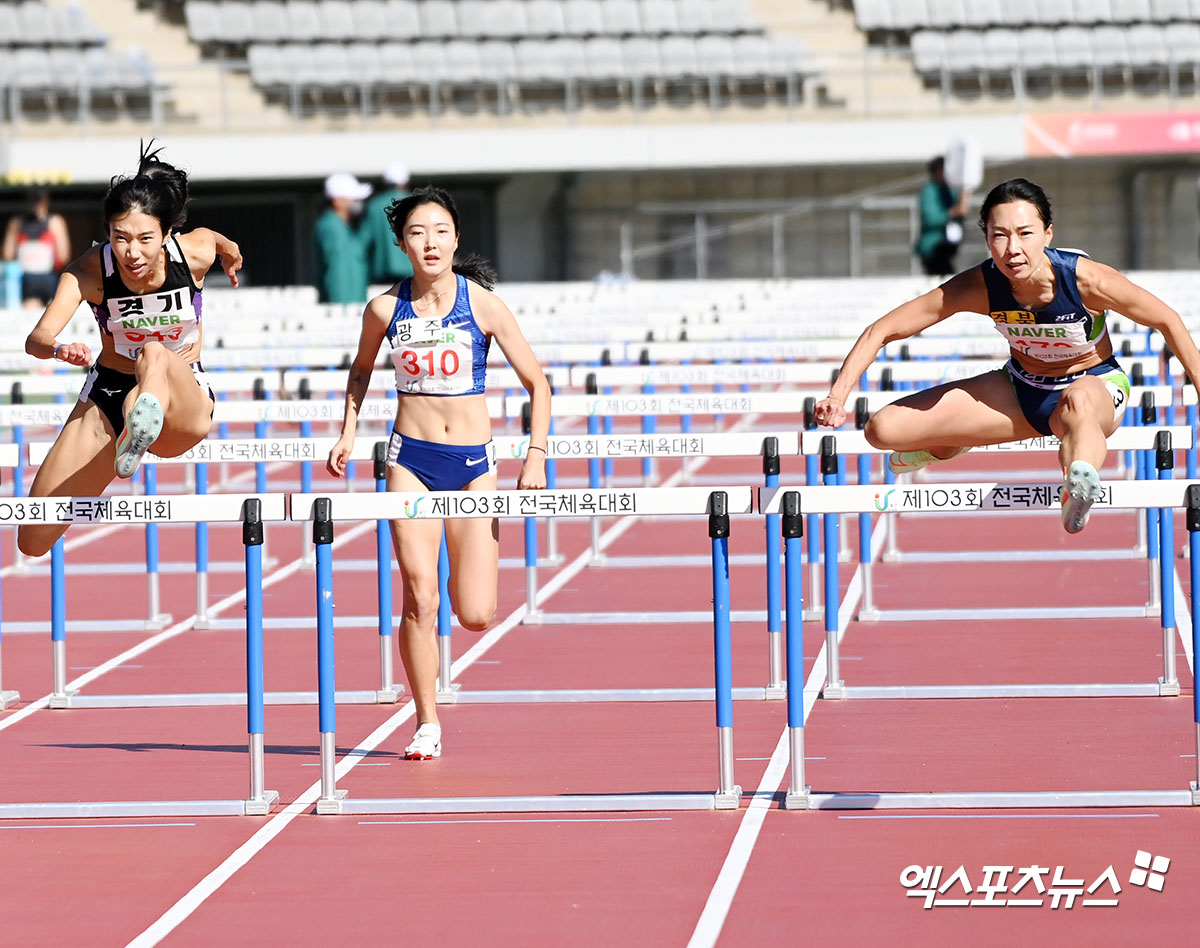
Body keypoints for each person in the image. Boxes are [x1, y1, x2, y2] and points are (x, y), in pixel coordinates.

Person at [815, 177, 1200, 535]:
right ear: (985, 238)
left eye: (1025, 234)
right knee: (881, 430)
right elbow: (881, 330)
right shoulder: (978, 286)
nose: (1012, 249)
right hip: (1021, 390)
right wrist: (837, 396)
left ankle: (1079, 484)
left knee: (1077, 402)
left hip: (1095, 385)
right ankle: (949, 443)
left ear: (1047, 234)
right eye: (999, 236)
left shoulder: (1086, 281)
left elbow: (1167, 320)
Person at [326, 185, 551, 760]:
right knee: (418, 598)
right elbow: (359, 373)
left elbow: (538, 384)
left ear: (456, 240)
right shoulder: (383, 309)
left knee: (474, 613)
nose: (430, 242)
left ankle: (462, 577)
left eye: (441, 232)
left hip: (473, 466)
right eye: (418, 233)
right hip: (410, 462)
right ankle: (426, 721)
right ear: (402, 243)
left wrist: (535, 456)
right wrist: (348, 433)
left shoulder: (483, 306)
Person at [18, 142, 243, 557]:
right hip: (109, 391)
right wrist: (58, 349)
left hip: (181, 396)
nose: (132, 252)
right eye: (120, 238)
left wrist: (232, 255)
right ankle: (133, 426)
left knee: (154, 354)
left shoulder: (192, 254)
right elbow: (37, 338)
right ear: (107, 234)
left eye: (144, 239)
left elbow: (218, 241)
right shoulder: (89, 271)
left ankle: (144, 417)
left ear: (167, 234)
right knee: (31, 537)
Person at [2, 187, 72, 308]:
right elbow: (7, 255)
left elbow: (63, 256)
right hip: (25, 282)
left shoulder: (55, 223)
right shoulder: (17, 224)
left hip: (49, 280)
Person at [313, 172, 370, 304]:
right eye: (352, 198)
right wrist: (341, 309)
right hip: (344, 308)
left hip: (354, 305)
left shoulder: (342, 227)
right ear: (337, 201)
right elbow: (337, 271)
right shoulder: (331, 227)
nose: (356, 202)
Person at [915, 156, 969, 277]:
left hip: (947, 246)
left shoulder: (949, 190)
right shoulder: (929, 191)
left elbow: (959, 211)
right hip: (933, 248)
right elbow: (930, 218)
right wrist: (952, 213)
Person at [362, 161, 414, 285]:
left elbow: (364, 240)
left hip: (382, 271)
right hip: (412, 270)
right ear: (406, 182)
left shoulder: (374, 206)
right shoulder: (415, 203)